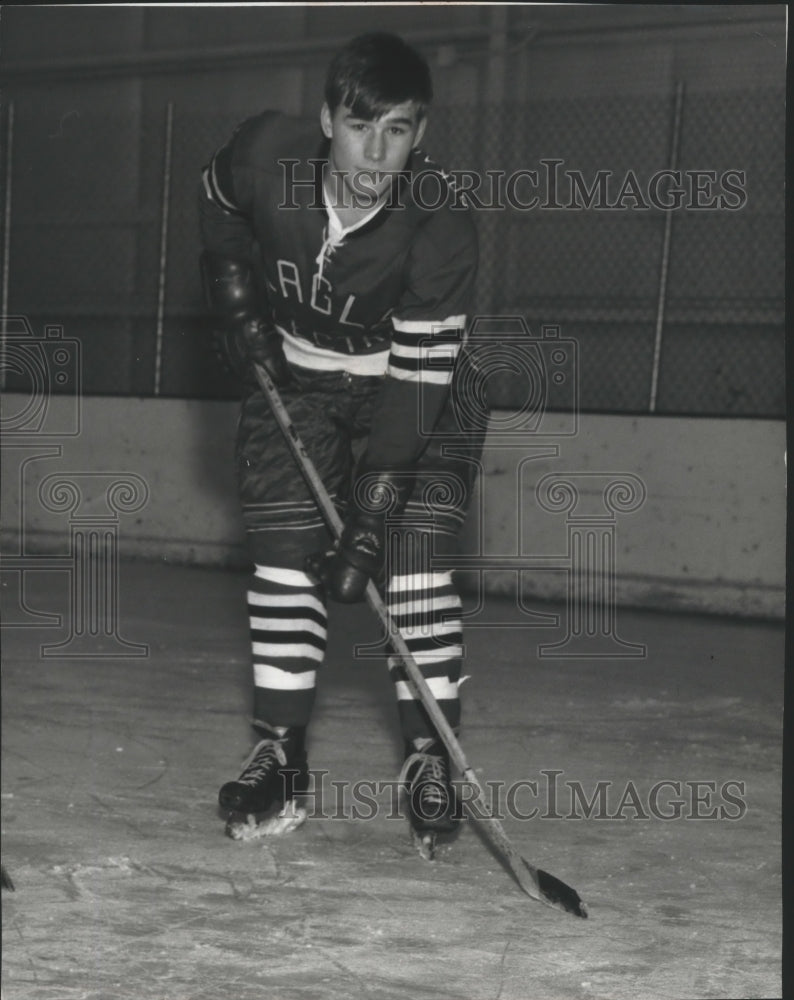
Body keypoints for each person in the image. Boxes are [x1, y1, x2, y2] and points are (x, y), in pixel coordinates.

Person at [198, 32, 480, 848]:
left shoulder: (440, 227)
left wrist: (372, 513)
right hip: (301, 383)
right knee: (285, 558)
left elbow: (420, 385)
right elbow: (215, 198)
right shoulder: (264, 156)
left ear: (419, 136)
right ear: (327, 119)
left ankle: (429, 757)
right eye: (361, 126)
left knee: (413, 570)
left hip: (418, 393)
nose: (375, 150)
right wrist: (232, 288)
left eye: (397, 130)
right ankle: (281, 755)